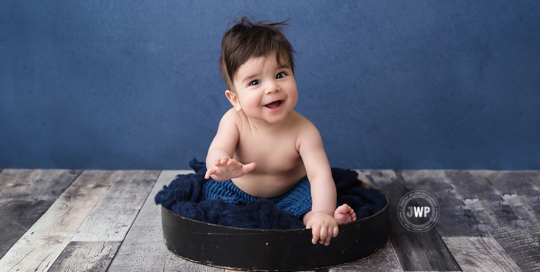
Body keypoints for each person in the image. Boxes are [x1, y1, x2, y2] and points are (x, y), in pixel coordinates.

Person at [203, 17, 356, 246]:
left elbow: (320, 175)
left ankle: (321, 221)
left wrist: (324, 210)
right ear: (235, 99)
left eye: (280, 75)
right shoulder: (234, 121)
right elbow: (218, 148)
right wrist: (220, 167)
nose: (272, 87)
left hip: (289, 192)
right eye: (255, 82)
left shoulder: (304, 131)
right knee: (215, 202)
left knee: (309, 200)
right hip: (237, 188)